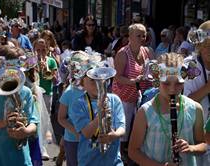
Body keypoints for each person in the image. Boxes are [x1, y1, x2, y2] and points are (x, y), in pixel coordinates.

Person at [128, 52, 207, 166]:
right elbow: (133, 151)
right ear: (157, 81)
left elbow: (203, 144)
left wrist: (191, 148)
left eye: (178, 83)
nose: (172, 90)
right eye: (166, 83)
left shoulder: (195, 109)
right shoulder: (145, 112)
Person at [112, 23, 153, 163]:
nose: (142, 38)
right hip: (125, 97)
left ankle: (136, 154)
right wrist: (134, 81)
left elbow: (153, 70)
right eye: (138, 35)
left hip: (143, 97)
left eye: (144, 35)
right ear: (129, 37)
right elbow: (117, 77)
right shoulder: (123, 54)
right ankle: (120, 156)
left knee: (140, 128)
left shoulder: (148, 51)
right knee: (124, 129)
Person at [70, 66, 126, 166]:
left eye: (100, 79)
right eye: (92, 80)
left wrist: (114, 135)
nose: (97, 83)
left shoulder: (115, 100)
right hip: (88, 161)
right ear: (83, 83)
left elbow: (122, 127)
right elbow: (87, 133)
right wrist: (100, 113)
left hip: (113, 161)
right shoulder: (78, 104)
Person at [58, 51, 91, 166]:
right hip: (73, 140)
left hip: (91, 139)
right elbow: (61, 118)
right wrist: (77, 132)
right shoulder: (69, 92)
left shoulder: (93, 88)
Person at [183, 20, 210, 165]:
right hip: (195, 134)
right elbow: (185, 102)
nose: (209, 50)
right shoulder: (190, 65)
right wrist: (207, 88)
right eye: (206, 45)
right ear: (199, 46)